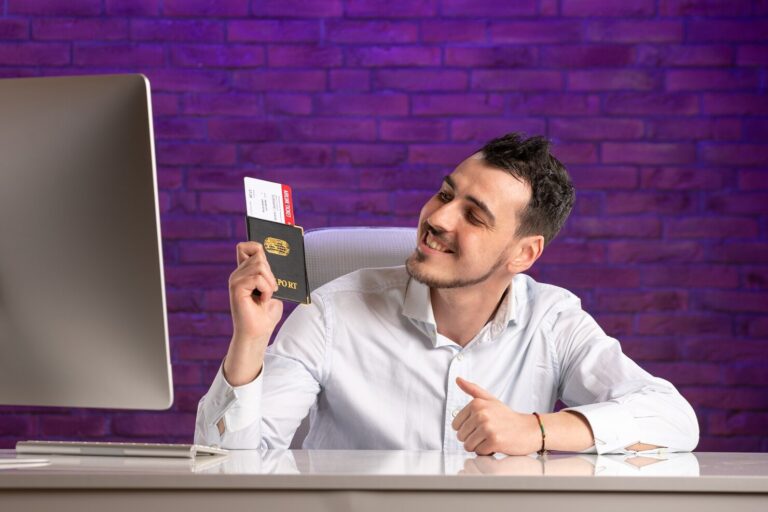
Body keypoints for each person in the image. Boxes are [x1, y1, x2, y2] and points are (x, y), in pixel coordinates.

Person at [194, 133, 699, 455]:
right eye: (444, 193)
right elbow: (229, 464)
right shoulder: (332, 312)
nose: (437, 218)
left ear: (523, 254)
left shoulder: (553, 320)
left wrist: (538, 430)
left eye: (474, 216)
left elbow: (674, 418)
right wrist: (250, 343)